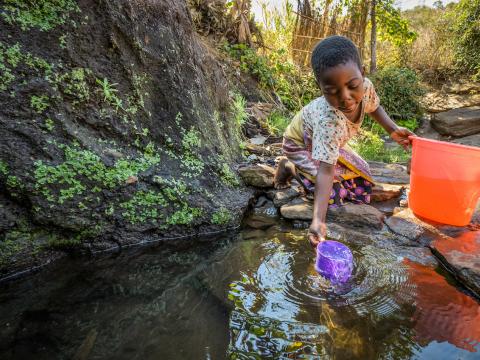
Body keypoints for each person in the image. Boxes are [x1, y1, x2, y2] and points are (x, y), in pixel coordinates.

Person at [273, 35, 413, 249]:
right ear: (319, 87)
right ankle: (290, 166)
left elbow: (373, 107)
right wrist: (318, 220)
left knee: (363, 179)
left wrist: (392, 129)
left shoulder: (365, 88)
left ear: (363, 74)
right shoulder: (328, 120)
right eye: (332, 91)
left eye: (352, 86)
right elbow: (326, 171)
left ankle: (301, 169)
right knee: (333, 194)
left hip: (325, 143)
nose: (345, 97)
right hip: (299, 144)